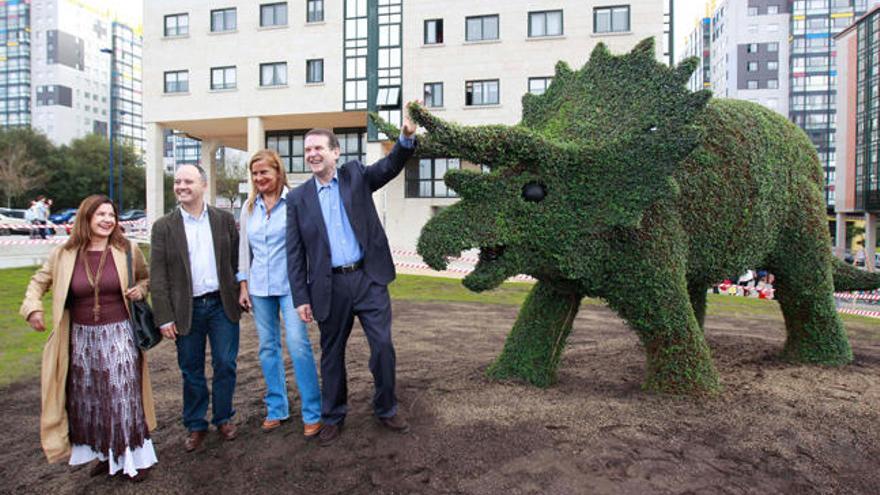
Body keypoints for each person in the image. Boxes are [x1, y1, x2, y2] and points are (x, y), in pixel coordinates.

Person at [286, 106, 417, 445]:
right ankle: (333, 415)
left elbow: (389, 166)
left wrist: (404, 139)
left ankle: (386, 408)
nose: (313, 154)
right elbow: (295, 252)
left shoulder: (356, 175)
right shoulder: (298, 199)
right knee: (331, 354)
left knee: (383, 346)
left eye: (319, 148)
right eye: (308, 150)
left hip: (368, 278)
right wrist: (301, 297)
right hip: (329, 287)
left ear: (335, 152)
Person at [20, 194, 156, 481]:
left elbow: (147, 277)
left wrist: (141, 290)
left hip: (119, 335)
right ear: (86, 218)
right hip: (81, 341)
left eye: (111, 215)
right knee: (91, 399)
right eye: (101, 215)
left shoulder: (127, 249)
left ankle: (135, 458)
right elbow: (38, 281)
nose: (108, 220)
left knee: (122, 397)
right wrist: (33, 308)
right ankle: (107, 455)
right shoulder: (64, 253)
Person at [150, 164, 242, 453]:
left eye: (188, 181)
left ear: (203, 184)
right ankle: (195, 424)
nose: (181, 186)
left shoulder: (224, 220)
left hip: (221, 305)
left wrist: (243, 290)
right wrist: (163, 317)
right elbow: (158, 275)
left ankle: (224, 417)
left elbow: (237, 262)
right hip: (185, 310)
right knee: (191, 369)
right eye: (177, 182)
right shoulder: (163, 226)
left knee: (225, 364)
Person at [238, 149, 322, 437]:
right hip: (260, 288)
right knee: (267, 348)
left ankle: (313, 411)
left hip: (291, 288)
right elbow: (243, 251)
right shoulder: (248, 208)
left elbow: (309, 247)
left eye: (264, 172)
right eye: (255, 173)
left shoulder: (296, 202)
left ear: (278, 173)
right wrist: (243, 285)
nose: (259, 178)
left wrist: (309, 287)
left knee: (298, 345)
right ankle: (277, 407)